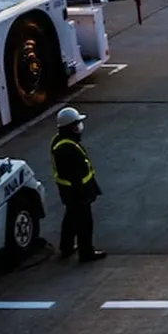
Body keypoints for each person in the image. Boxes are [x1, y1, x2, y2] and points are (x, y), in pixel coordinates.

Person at [50, 106, 105, 262]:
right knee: (84, 223)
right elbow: (75, 174)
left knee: (71, 218)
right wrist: (83, 194)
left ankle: (66, 247)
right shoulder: (67, 148)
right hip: (77, 191)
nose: (79, 128)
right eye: (77, 125)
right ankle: (86, 253)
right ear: (71, 128)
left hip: (69, 191)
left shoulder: (59, 141)